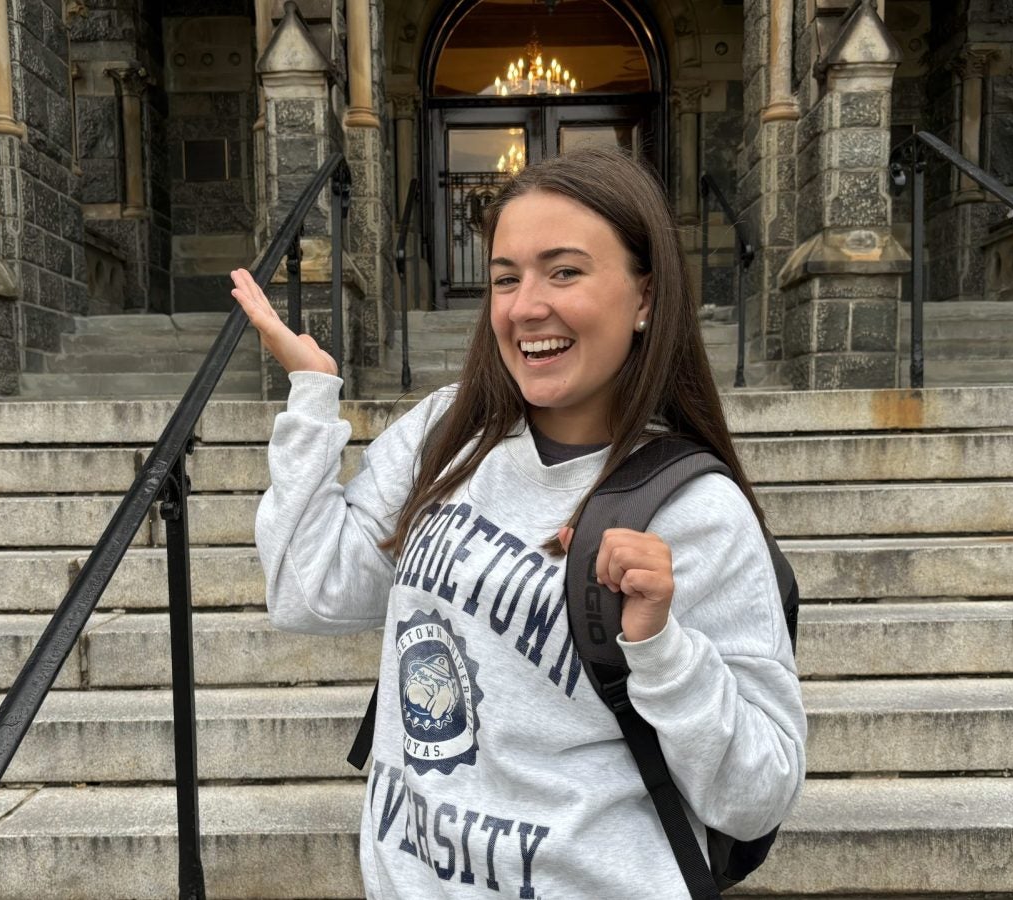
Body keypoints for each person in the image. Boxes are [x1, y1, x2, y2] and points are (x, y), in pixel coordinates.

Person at [232, 146, 805, 899]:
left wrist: (661, 648)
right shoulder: (448, 431)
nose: (525, 306)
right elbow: (310, 593)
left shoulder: (697, 511)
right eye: (506, 277)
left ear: (645, 298)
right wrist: (311, 399)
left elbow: (758, 794)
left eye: (564, 271)